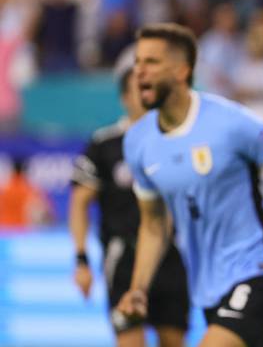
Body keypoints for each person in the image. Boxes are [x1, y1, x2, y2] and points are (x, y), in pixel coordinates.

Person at [117, 23, 263, 347]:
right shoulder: (138, 142)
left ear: (182, 71)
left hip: (259, 268)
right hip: (208, 286)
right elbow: (153, 224)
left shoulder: (231, 122)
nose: (139, 71)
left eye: (151, 62)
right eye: (137, 62)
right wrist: (138, 289)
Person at [69, 64, 189, 346]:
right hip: (123, 258)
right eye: (140, 90)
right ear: (125, 97)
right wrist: (81, 260)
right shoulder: (105, 144)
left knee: (173, 339)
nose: (147, 96)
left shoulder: (175, 141)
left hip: (170, 257)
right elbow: (79, 202)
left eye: (152, 89)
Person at [0, 157, 53, 229]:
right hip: (22, 232)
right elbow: (43, 213)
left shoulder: (3, 189)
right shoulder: (30, 189)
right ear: (24, 171)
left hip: (3, 230)